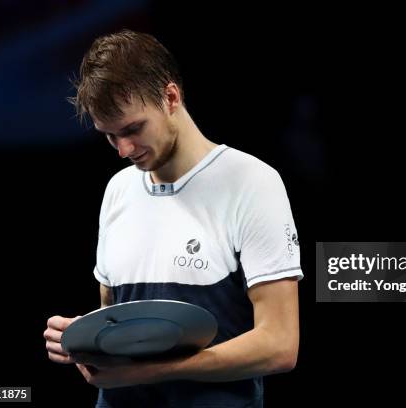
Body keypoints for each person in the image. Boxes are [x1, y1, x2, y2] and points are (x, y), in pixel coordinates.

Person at [43, 29, 302, 407]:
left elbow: (280, 345)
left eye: (132, 129)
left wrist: (152, 372)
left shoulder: (253, 183)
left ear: (170, 97)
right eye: (110, 136)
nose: (123, 150)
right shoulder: (117, 190)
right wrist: (82, 340)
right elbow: (113, 322)